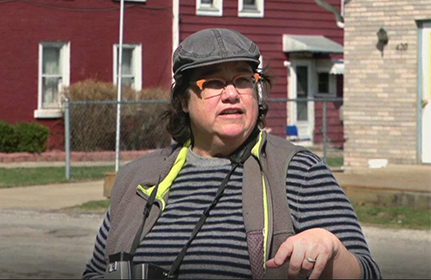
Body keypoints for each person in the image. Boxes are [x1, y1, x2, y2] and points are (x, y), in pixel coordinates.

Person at [83, 28, 381, 279]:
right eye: (213, 83)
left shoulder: (300, 172)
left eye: (243, 80)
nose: (231, 93)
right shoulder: (137, 179)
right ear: (184, 100)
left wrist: (332, 250)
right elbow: (95, 272)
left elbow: (368, 272)